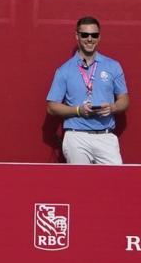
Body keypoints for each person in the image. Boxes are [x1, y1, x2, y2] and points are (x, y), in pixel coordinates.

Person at [46, 16, 129, 165]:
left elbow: (124, 99)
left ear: (99, 37)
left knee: (115, 183)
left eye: (94, 35)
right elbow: (52, 107)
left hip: (106, 136)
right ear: (77, 36)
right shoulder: (64, 70)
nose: (89, 39)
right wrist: (78, 111)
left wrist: (113, 107)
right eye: (85, 35)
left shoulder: (113, 66)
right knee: (79, 184)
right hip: (76, 137)